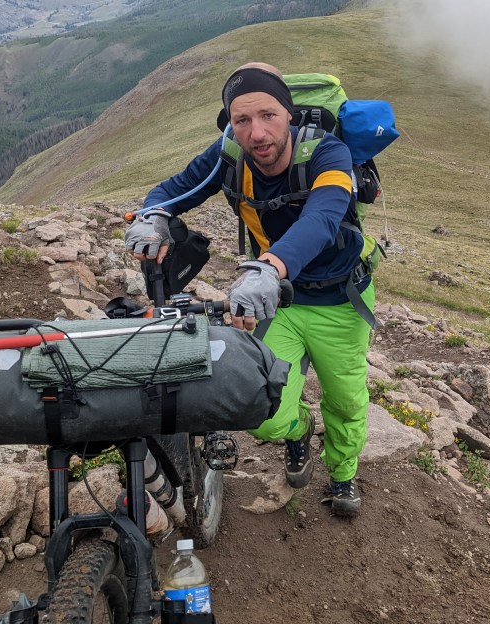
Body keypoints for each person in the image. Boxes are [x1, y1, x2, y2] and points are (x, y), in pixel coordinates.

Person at [124, 62, 374, 517]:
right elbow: (175, 189)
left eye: (268, 115)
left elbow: (323, 217)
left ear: (289, 114)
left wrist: (270, 267)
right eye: (242, 120)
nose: (256, 133)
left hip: (339, 299)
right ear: (230, 123)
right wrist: (152, 216)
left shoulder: (329, 153)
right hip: (276, 300)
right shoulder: (228, 155)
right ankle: (298, 430)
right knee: (263, 408)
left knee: (345, 399)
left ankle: (342, 472)